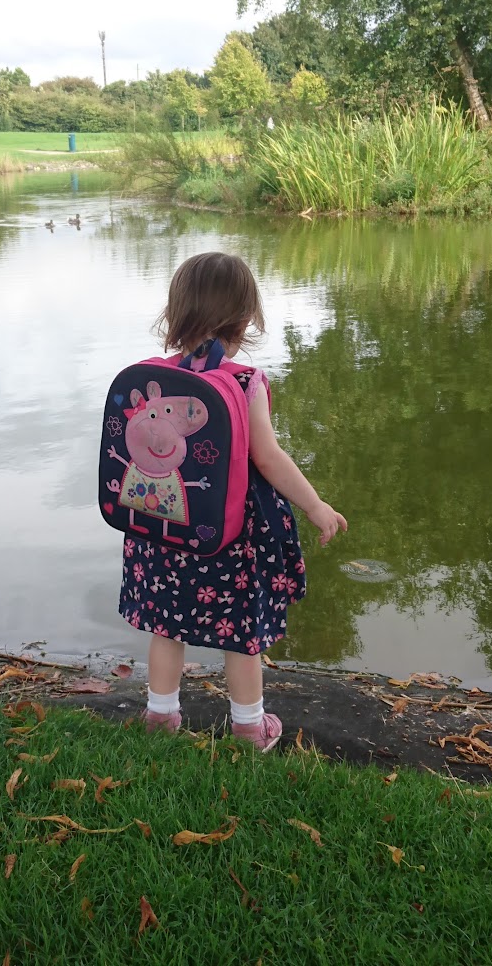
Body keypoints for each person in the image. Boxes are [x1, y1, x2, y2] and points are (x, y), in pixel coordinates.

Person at [119, 252, 346, 750]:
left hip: (164, 530)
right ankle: (248, 729)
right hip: (231, 539)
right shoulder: (245, 382)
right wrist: (315, 505)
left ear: (175, 312)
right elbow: (268, 457)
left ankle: (160, 719)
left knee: (166, 628)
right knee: (241, 634)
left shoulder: (156, 381)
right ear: (245, 320)